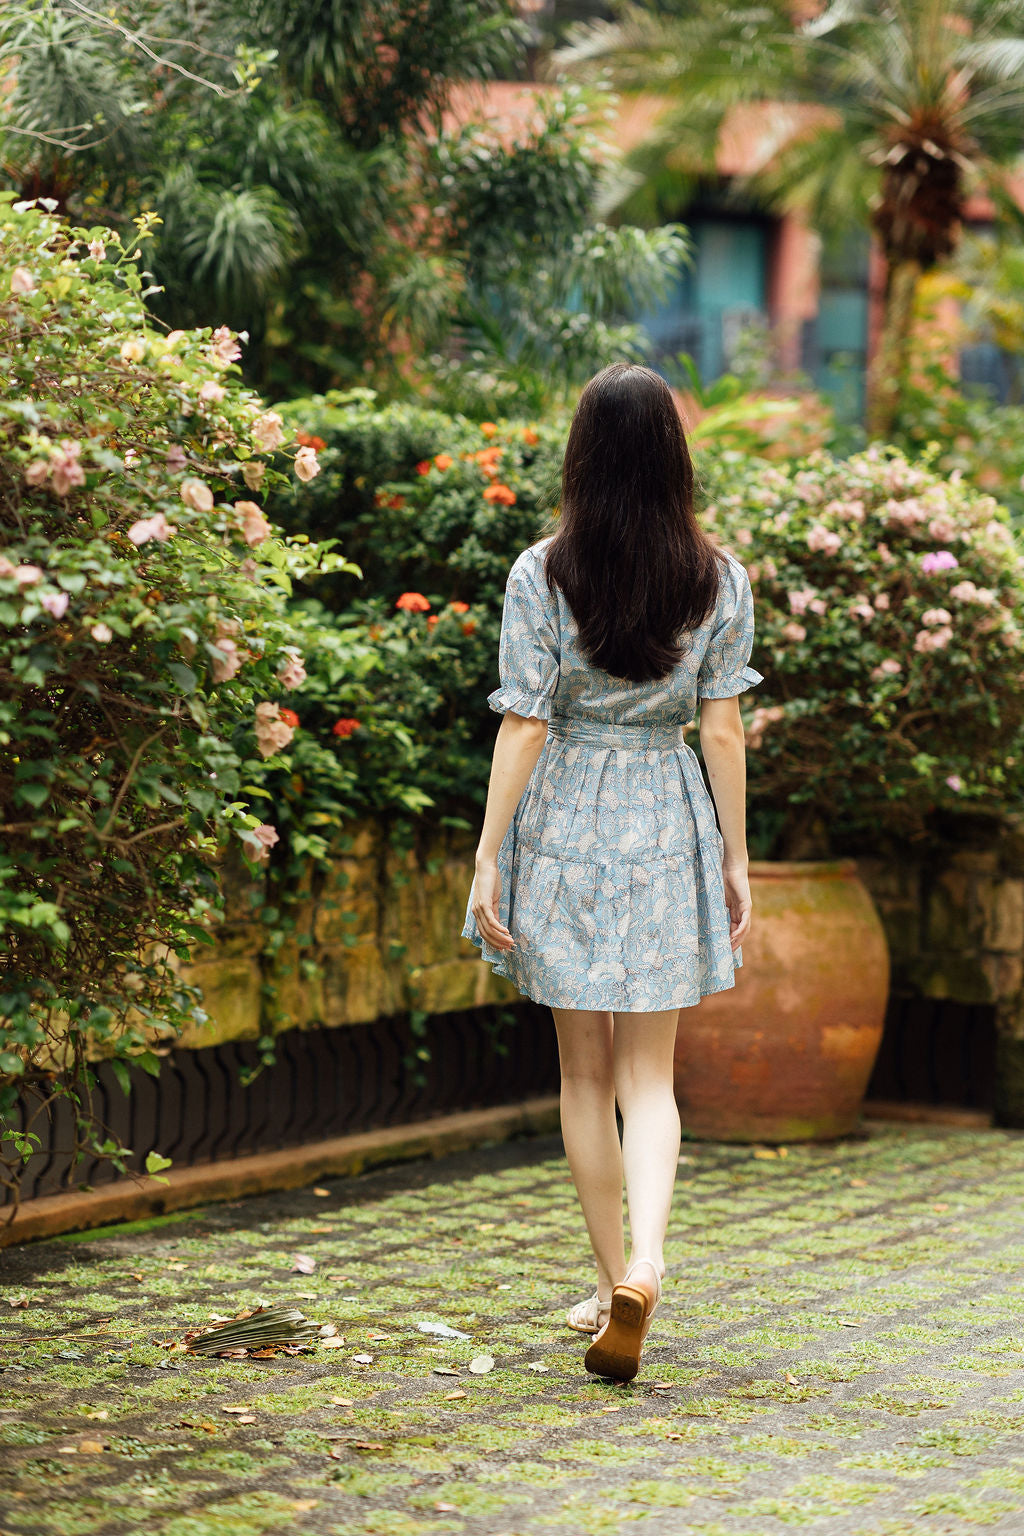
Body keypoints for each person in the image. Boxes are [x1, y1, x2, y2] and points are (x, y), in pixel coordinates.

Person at [460, 361, 763, 1383]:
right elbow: (720, 734)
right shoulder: (718, 579)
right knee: (650, 1075)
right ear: (674, 458)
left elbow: (525, 722)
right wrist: (734, 854)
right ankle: (645, 1263)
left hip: (567, 822)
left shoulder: (540, 573)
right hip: (666, 813)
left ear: (582, 458)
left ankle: (608, 1285)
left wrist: (489, 853)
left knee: (582, 1073)